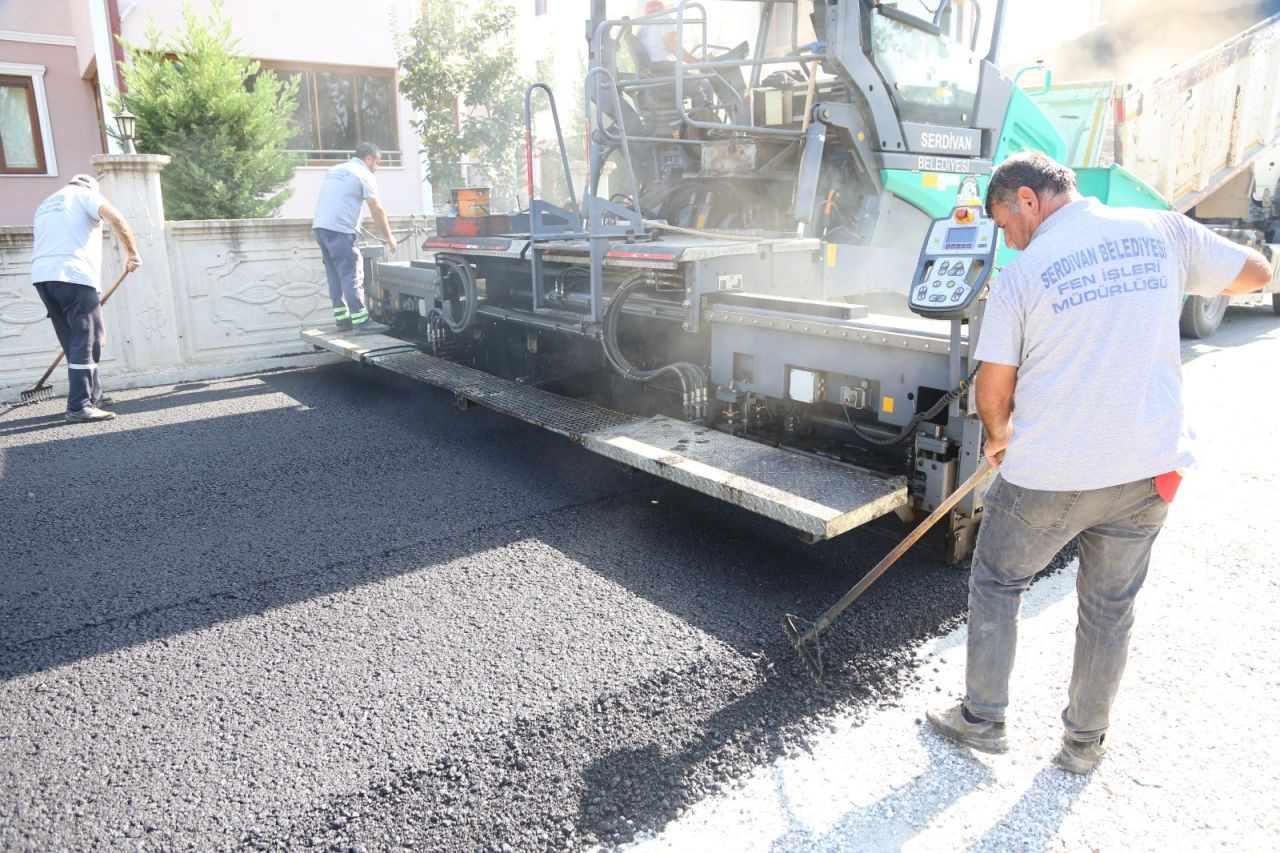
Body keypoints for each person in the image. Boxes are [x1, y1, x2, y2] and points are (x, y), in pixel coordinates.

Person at [926, 151, 1273, 774]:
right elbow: (1256, 273)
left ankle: (982, 719)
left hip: (1049, 476)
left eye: (1005, 223)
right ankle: (1083, 745)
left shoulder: (1022, 277)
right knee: (1109, 606)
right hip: (1148, 472)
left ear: (1028, 200)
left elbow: (992, 391)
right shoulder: (1162, 230)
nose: (1006, 238)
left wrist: (999, 437)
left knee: (999, 581)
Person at [30, 174, 142, 423]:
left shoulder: (47, 202)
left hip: (43, 277)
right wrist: (132, 253)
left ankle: (94, 394)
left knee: (74, 339)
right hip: (74, 275)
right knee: (90, 339)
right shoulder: (87, 195)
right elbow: (116, 218)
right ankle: (79, 405)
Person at [313, 142, 397, 335]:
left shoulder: (335, 170)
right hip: (340, 231)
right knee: (351, 275)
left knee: (334, 275)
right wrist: (388, 236)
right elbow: (376, 208)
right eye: (377, 162)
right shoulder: (363, 174)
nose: (378, 167)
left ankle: (342, 320)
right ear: (368, 158)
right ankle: (361, 321)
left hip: (320, 229)